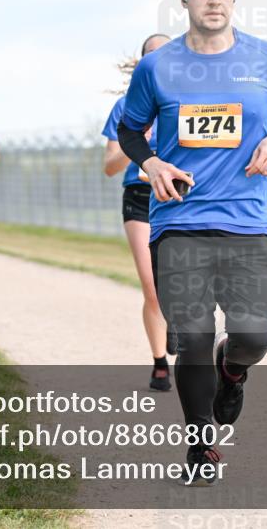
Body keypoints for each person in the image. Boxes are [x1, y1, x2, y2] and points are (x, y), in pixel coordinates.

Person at [118, 0, 267, 486]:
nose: (214, 1)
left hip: (250, 219)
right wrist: (151, 162)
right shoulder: (158, 67)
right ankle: (200, 441)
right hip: (178, 221)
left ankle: (234, 368)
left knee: (254, 334)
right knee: (193, 335)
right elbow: (131, 131)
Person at [102, 33, 172, 392]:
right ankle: (160, 361)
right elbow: (111, 167)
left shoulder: (189, 101)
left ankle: (181, 330)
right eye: (153, 57)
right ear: (142, 65)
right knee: (153, 287)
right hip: (141, 197)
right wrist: (136, 140)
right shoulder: (126, 107)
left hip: (179, 197)